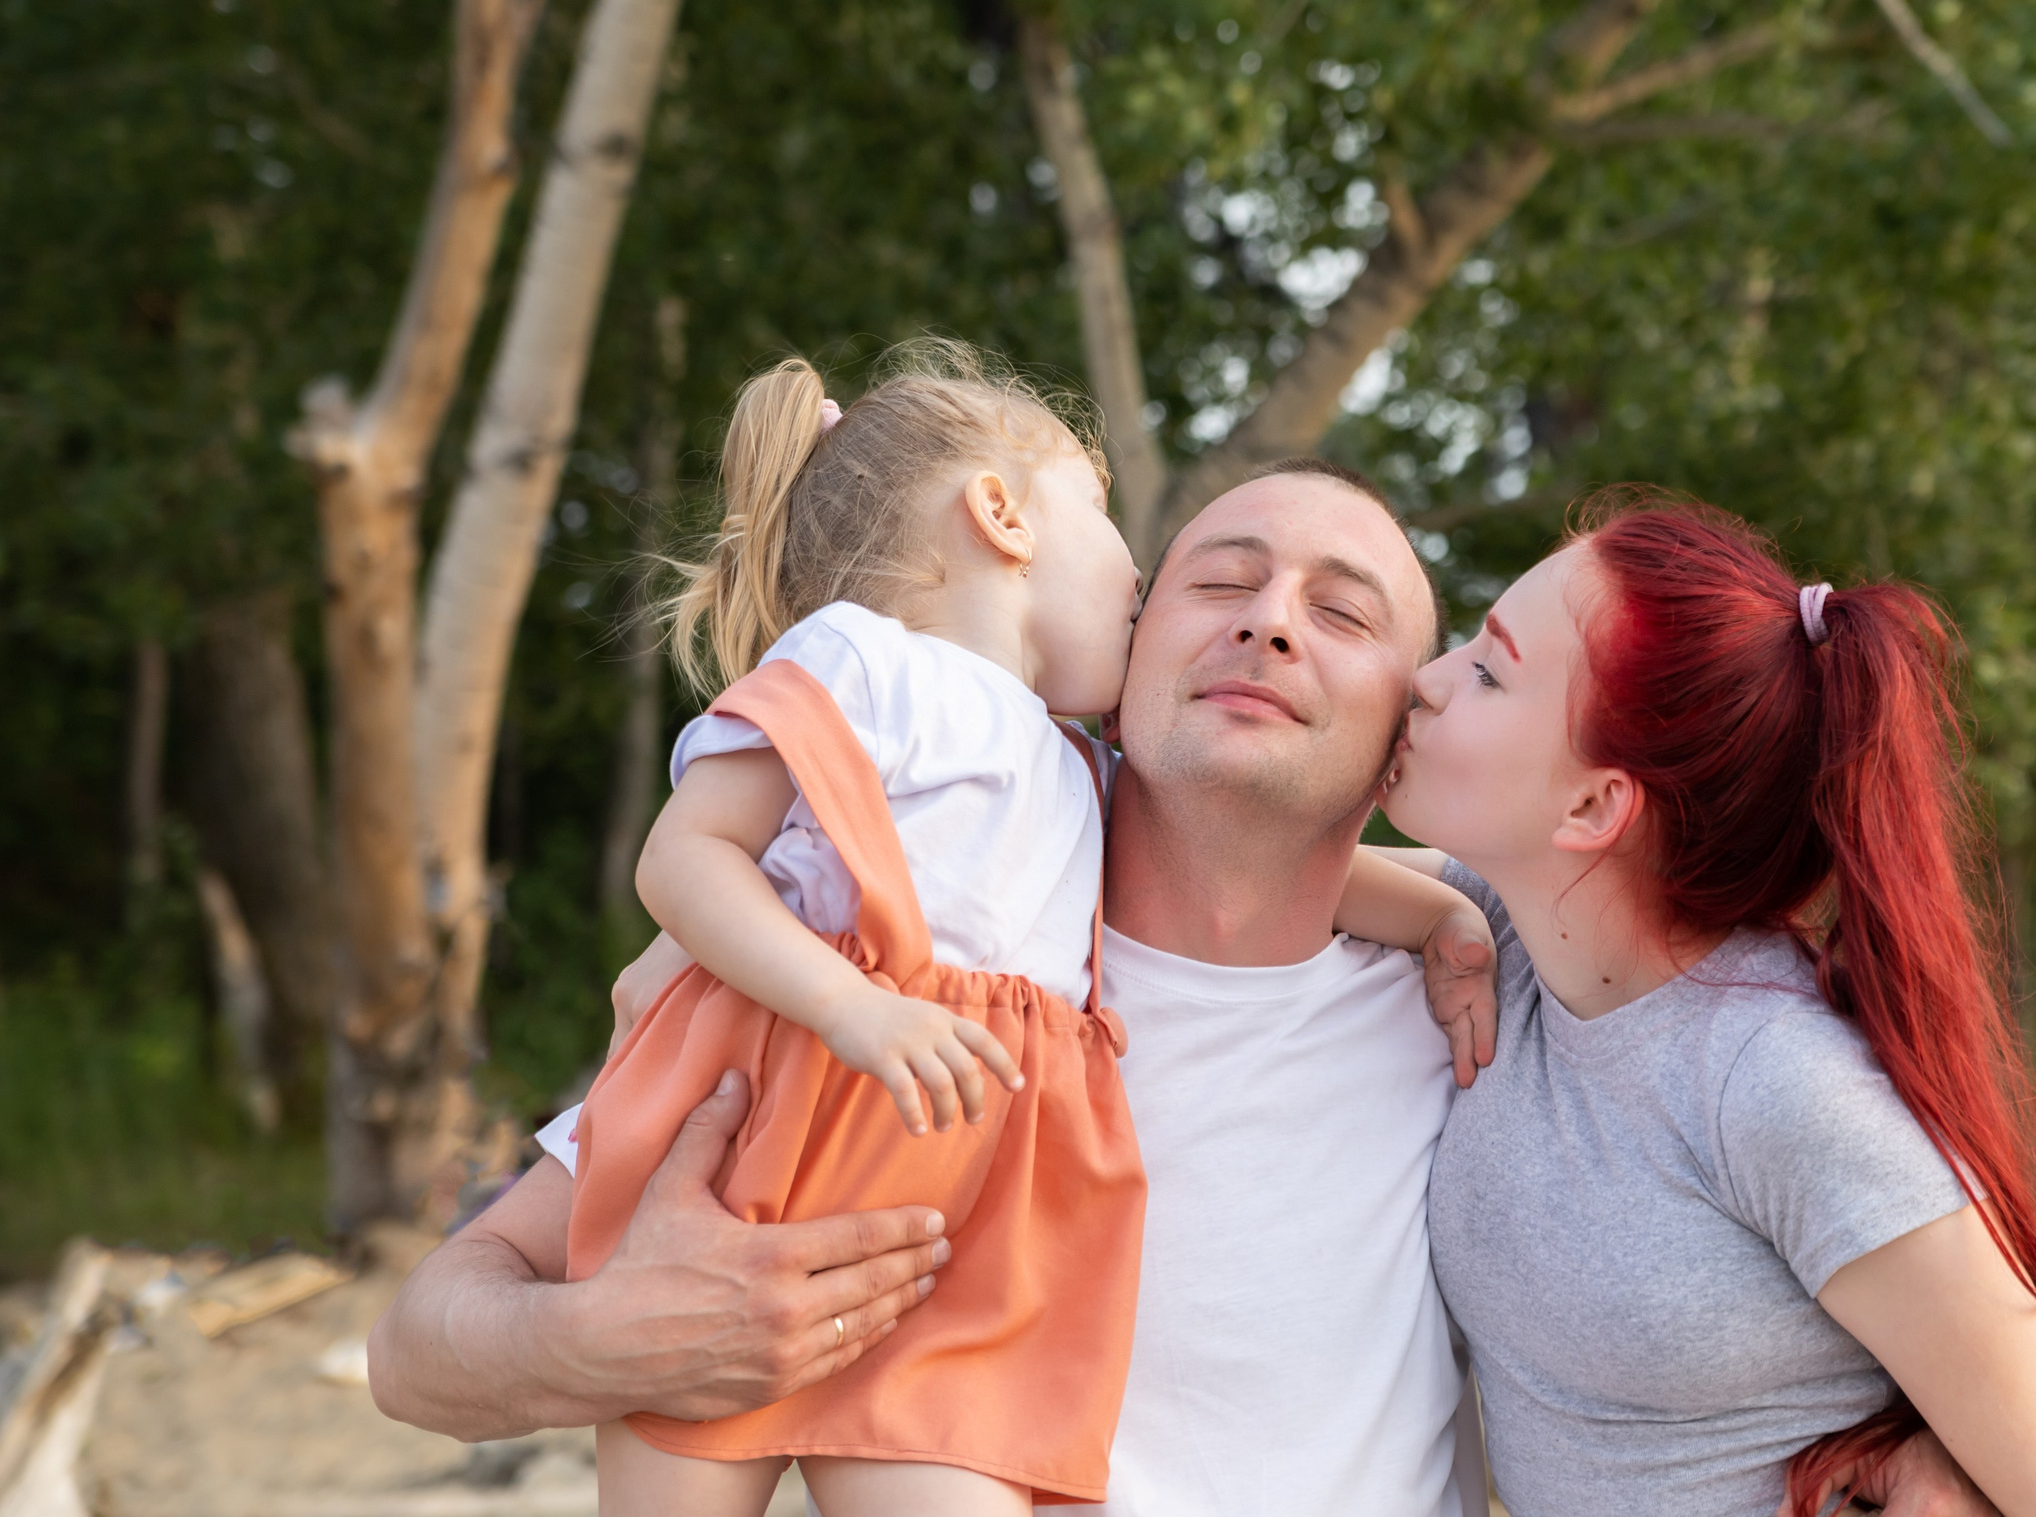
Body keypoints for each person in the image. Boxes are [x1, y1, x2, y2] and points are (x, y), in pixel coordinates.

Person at [371, 462, 1995, 1517]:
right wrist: (606, 1338)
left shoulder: (1499, 993)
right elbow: (417, 1348)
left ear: (1411, 726)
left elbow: (1814, 1125)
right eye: (1220, 579)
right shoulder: (877, 959)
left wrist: (1932, 1449)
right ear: (1126, 654)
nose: (1271, 622)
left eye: (1343, 611)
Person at [561, 345, 1492, 1517]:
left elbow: (1322, 873)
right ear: (1003, 518)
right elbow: (691, 855)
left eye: (1341, 611)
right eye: (1196, 582)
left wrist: (1449, 913)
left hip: (953, 1244)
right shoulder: (869, 674)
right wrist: (834, 999)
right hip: (783, 1127)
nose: (1263, 626)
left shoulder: (1068, 781)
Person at [1382, 494, 2036, 1517]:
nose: (1425, 680)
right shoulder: (1510, 933)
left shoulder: (1780, 1085)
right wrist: (1435, 917)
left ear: (1594, 805)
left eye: (1487, 670)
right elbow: (1265, 877)